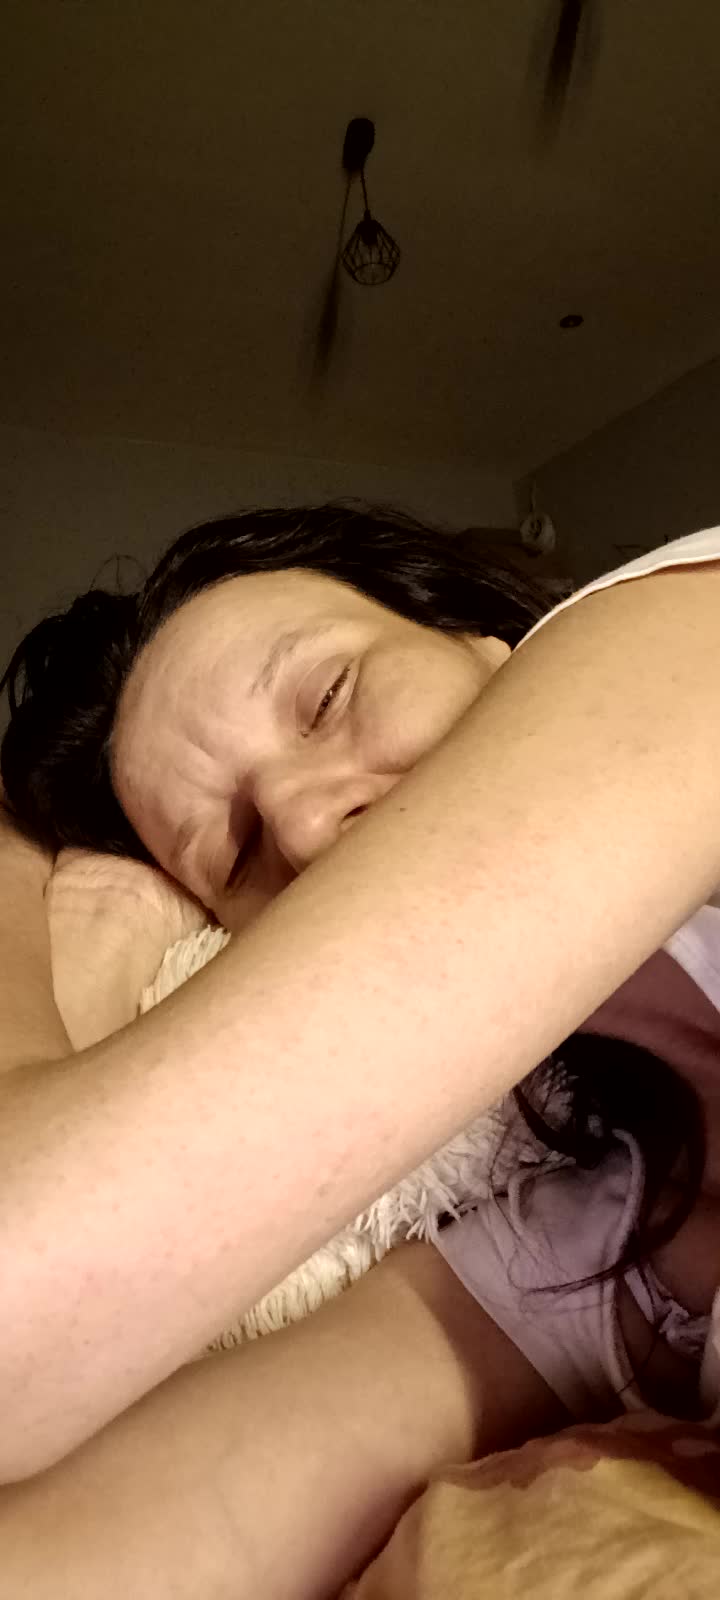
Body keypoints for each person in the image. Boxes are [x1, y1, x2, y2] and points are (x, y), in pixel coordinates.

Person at [1, 504, 720, 1595]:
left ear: (484, 637)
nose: (297, 825)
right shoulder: (611, 1214)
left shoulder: (680, 627)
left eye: (329, 697)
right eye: (235, 850)